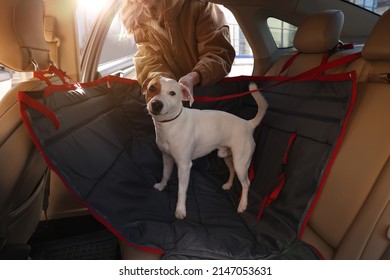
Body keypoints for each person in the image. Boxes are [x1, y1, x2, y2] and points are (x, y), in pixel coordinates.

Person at [120, 0, 236, 93]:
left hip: (207, 95)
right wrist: (162, 81)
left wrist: (194, 77)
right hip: (172, 104)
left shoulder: (200, 5)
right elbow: (150, 60)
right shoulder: (138, 19)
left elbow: (218, 53)